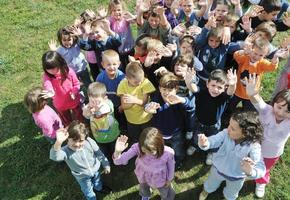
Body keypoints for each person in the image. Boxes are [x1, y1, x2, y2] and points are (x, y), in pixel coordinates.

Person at [198, 111, 266, 200]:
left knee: (231, 193)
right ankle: (206, 191)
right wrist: (205, 143)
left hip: (237, 177)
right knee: (210, 184)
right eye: (229, 125)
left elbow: (261, 168)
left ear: (245, 133)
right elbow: (214, 140)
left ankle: (228, 197)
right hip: (217, 169)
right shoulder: (226, 133)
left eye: (233, 128)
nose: (228, 128)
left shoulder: (254, 146)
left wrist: (251, 172)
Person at [245, 74, 290, 198]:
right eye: (279, 107)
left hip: (272, 153)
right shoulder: (267, 110)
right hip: (254, 145)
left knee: (264, 168)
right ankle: (246, 171)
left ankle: (261, 182)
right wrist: (252, 94)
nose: (280, 113)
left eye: (287, 111)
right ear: (274, 102)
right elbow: (258, 101)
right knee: (249, 160)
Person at [50, 121, 111, 200]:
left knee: (97, 180)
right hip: (82, 176)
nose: (77, 144)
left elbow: (99, 153)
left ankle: (99, 188)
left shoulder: (89, 142)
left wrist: (106, 164)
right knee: (87, 190)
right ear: (67, 139)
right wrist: (58, 142)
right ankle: (91, 198)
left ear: (85, 138)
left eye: (81, 141)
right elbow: (55, 157)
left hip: (95, 170)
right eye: (74, 140)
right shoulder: (65, 151)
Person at [188, 69, 237, 164]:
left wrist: (232, 84)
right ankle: (195, 145)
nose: (215, 89)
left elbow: (231, 92)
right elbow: (193, 88)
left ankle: (212, 152)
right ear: (207, 84)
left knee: (214, 139)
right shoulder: (202, 92)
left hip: (214, 125)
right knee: (196, 136)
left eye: (219, 87)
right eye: (213, 85)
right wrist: (188, 81)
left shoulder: (223, 97)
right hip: (199, 122)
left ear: (224, 88)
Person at [145, 72, 193, 168]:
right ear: (159, 88)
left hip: (176, 133)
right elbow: (148, 106)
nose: (166, 92)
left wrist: (181, 100)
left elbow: (190, 106)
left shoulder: (178, 100)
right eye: (164, 89)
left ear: (176, 90)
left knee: (177, 149)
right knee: (160, 148)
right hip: (160, 133)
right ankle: (162, 160)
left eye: (170, 90)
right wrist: (148, 108)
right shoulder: (156, 98)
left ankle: (177, 161)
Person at [113, 127, 175, 200]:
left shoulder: (168, 153)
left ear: (159, 145)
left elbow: (171, 167)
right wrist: (117, 152)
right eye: (144, 150)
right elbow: (118, 161)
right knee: (144, 188)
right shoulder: (137, 147)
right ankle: (145, 195)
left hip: (161, 179)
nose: (147, 153)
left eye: (151, 151)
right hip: (143, 176)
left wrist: (169, 179)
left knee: (166, 192)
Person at [229, 37, 287, 111]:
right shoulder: (245, 57)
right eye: (255, 53)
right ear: (251, 49)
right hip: (237, 91)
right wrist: (244, 52)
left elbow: (272, 67)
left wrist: (275, 57)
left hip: (251, 94)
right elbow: (236, 55)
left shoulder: (262, 63)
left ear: (265, 55)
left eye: (261, 55)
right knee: (230, 108)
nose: (256, 57)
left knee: (248, 112)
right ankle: (227, 118)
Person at [41, 51, 84, 126]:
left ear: (59, 63)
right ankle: (69, 129)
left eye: (54, 68)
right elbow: (47, 83)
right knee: (65, 119)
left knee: (79, 116)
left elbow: (76, 84)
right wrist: (50, 91)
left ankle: (80, 127)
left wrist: (74, 91)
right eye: (48, 69)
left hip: (73, 100)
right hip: (60, 104)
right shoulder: (47, 76)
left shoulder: (69, 71)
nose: (52, 71)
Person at [117, 61, 155, 143]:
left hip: (146, 118)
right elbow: (124, 106)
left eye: (141, 80)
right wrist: (125, 105)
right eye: (136, 82)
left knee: (148, 139)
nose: (139, 83)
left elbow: (144, 103)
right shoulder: (122, 84)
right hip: (132, 120)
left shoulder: (145, 82)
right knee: (136, 139)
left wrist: (133, 100)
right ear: (127, 78)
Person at [82, 82, 120, 160]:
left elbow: (106, 110)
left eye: (98, 102)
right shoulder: (89, 107)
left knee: (114, 148)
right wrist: (86, 111)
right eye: (92, 101)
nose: (95, 104)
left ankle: (116, 159)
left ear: (105, 98)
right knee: (104, 151)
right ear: (88, 97)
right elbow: (86, 115)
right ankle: (107, 160)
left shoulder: (108, 104)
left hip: (112, 134)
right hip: (98, 136)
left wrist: (96, 110)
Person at [96, 49, 127, 133]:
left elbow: (125, 92)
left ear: (119, 64)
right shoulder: (100, 78)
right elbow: (98, 92)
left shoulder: (122, 77)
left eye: (114, 64)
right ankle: (114, 128)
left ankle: (124, 128)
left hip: (120, 103)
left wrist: (122, 105)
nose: (112, 67)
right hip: (108, 103)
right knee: (112, 117)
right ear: (103, 65)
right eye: (108, 64)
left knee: (123, 116)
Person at [108, 0, 136, 71]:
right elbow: (104, 24)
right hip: (118, 50)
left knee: (132, 66)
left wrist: (132, 17)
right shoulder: (111, 20)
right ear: (111, 12)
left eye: (119, 10)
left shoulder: (125, 18)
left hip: (129, 48)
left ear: (123, 10)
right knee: (122, 68)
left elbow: (134, 21)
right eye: (114, 10)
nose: (117, 12)